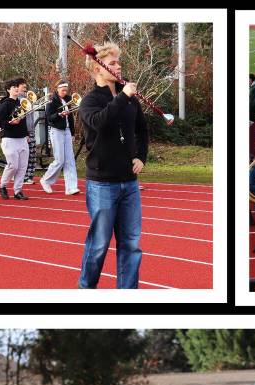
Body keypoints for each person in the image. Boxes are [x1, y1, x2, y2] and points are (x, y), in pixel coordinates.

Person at [75, 42, 150, 289]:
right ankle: (87, 287)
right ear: (97, 68)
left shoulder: (129, 98)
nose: (119, 66)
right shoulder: (89, 101)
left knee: (131, 244)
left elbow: (142, 129)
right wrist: (124, 96)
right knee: (98, 245)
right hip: (102, 184)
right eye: (113, 63)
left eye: (119, 62)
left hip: (129, 182)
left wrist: (141, 156)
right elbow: (100, 122)